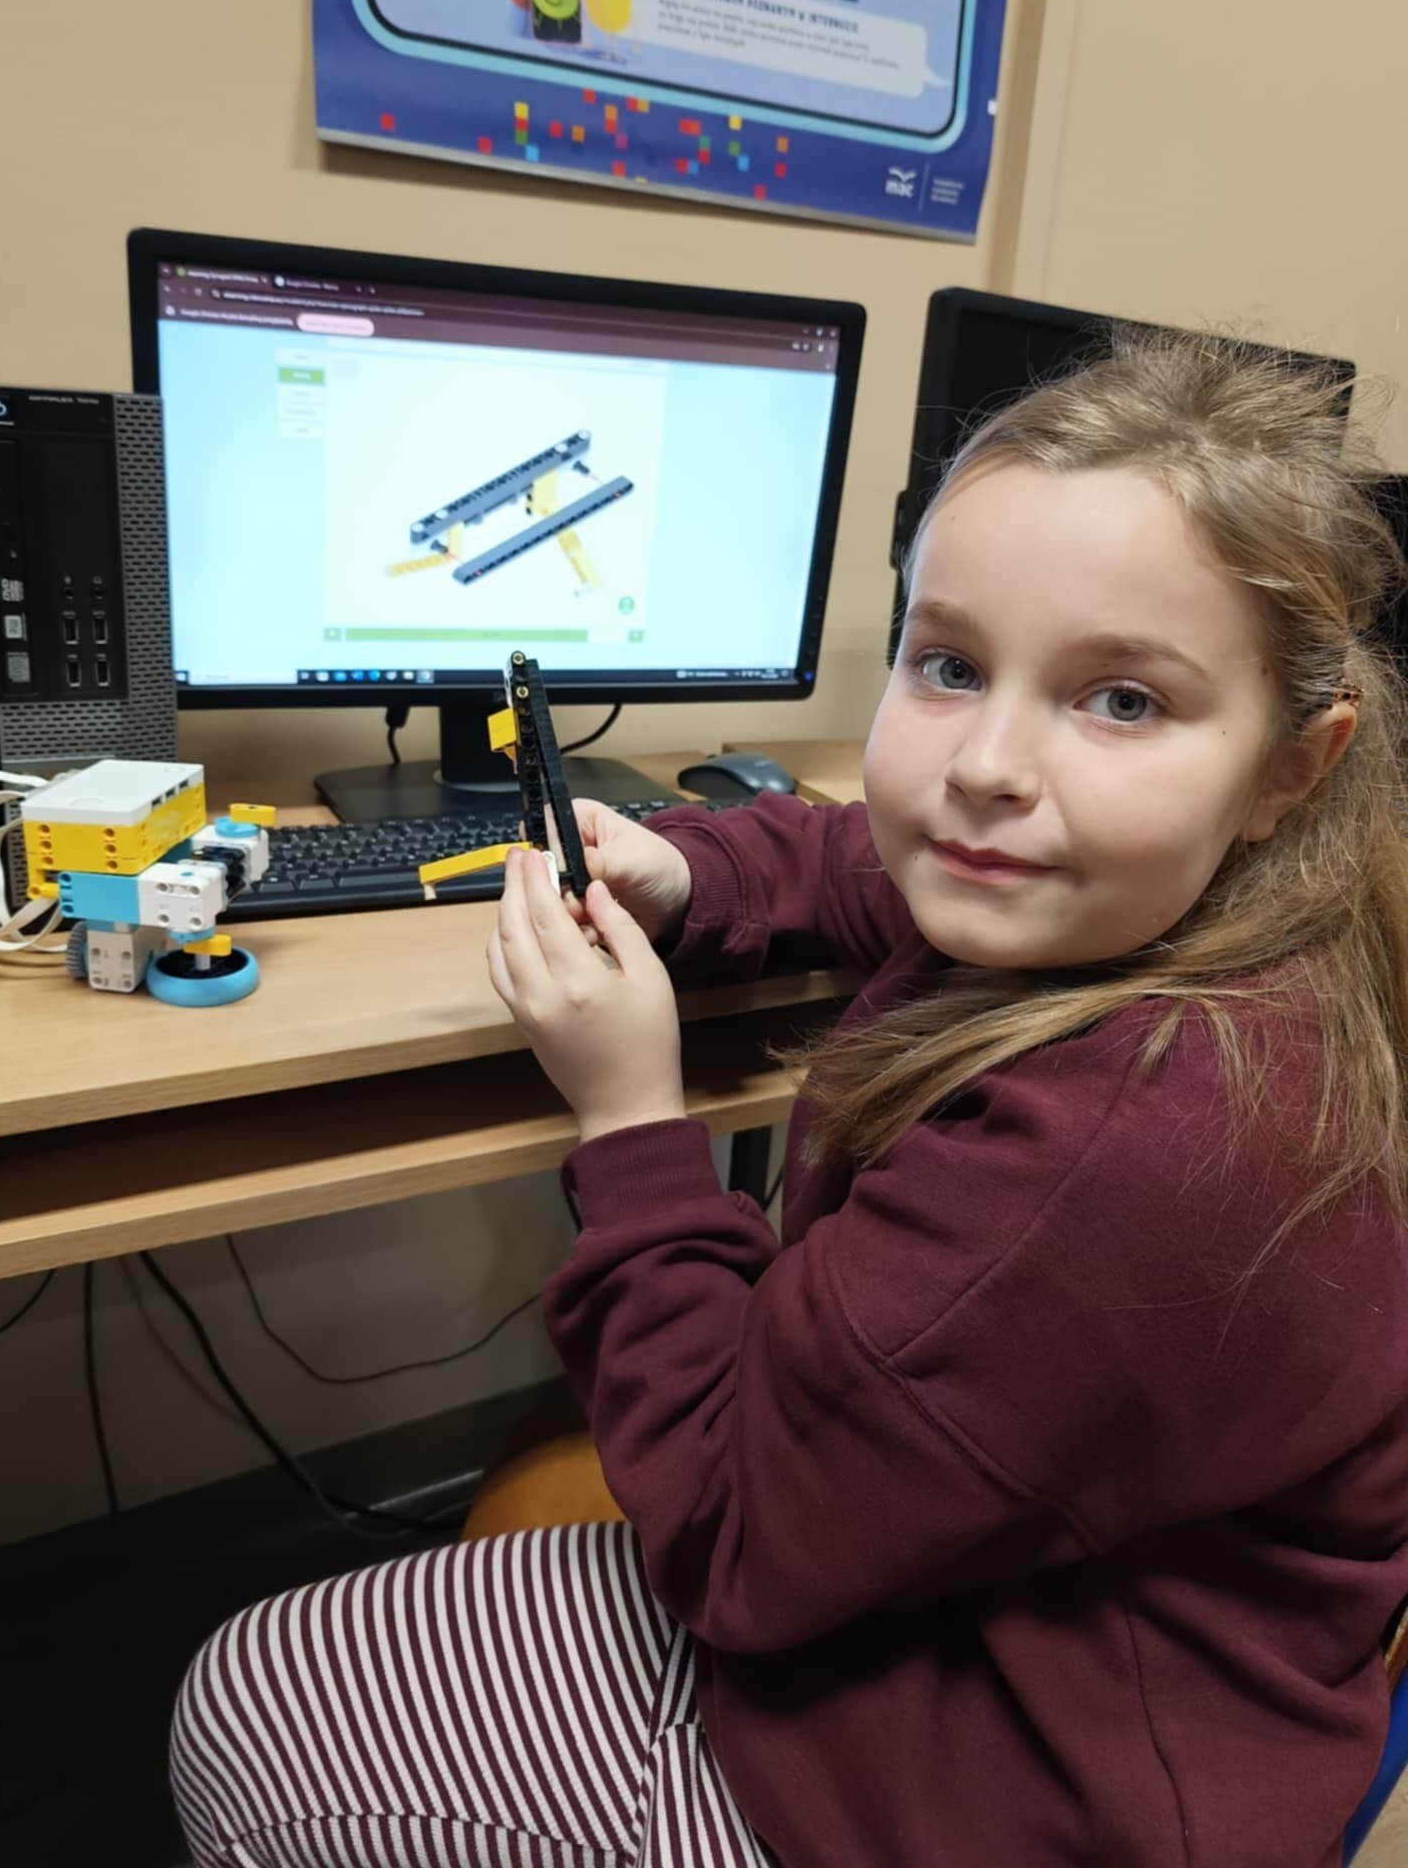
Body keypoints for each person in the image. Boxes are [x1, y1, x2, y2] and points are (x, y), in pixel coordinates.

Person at [169, 331, 1408, 1867]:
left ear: (1290, 767)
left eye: (1121, 701)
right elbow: (854, 860)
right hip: (1007, 1590)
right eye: (947, 667)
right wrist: (686, 872)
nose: (985, 769)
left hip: (1018, 1776)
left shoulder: (1131, 1139)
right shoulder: (1177, 905)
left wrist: (631, 1122)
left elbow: (730, 1537)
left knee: (245, 1696)